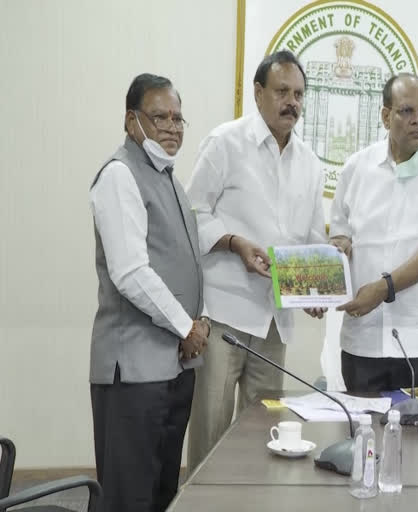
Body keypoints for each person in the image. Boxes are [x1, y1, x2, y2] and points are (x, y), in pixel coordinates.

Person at [185, 50, 326, 471]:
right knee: (210, 428)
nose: (292, 102)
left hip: (274, 320)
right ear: (259, 93)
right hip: (225, 312)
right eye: (283, 91)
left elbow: (311, 239)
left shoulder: (311, 164)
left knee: (265, 431)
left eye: (299, 94)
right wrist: (233, 242)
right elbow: (192, 214)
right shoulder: (225, 142)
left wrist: (316, 289)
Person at [89, 73, 210, 512]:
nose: (172, 127)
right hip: (133, 373)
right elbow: (130, 272)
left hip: (175, 368)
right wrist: (186, 326)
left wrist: (203, 317)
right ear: (131, 121)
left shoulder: (172, 181)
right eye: (159, 116)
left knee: (161, 494)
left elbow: (189, 261)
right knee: (129, 497)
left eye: (179, 118)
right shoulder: (119, 175)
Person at [329, 73, 418, 392]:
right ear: (385, 115)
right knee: (361, 435)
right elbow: (340, 234)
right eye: (407, 111)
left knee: (416, 437)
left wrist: (383, 288)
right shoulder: (356, 168)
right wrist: (337, 250)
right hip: (363, 337)